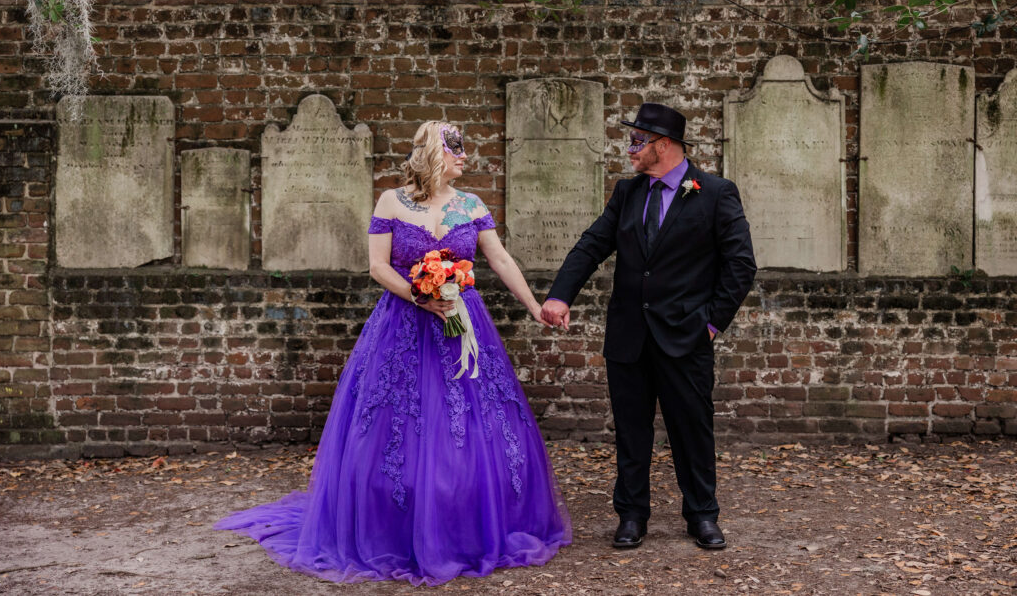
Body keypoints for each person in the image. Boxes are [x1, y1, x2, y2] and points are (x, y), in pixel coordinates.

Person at [216, 121, 571, 585]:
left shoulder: (472, 205)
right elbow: (378, 266)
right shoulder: (391, 201)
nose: (466, 158)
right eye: (456, 150)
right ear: (434, 153)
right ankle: (397, 525)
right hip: (404, 323)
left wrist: (534, 307)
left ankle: (466, 521)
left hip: (462, 325)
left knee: (471, 422)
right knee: (400, 422)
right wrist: (421, 297)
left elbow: (500, 259)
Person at [541, 102, 756, 551]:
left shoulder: (715, 193)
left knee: (692, 429)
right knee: (631, 430)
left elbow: (740, 266)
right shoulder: (627, 193)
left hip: (687, 336)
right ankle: (632, 515)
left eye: (637, 141)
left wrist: (712, 325)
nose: (630, 148)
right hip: (629, 335)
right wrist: (560, 294)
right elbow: (592, 244)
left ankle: (702, 515)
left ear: (664, 145)